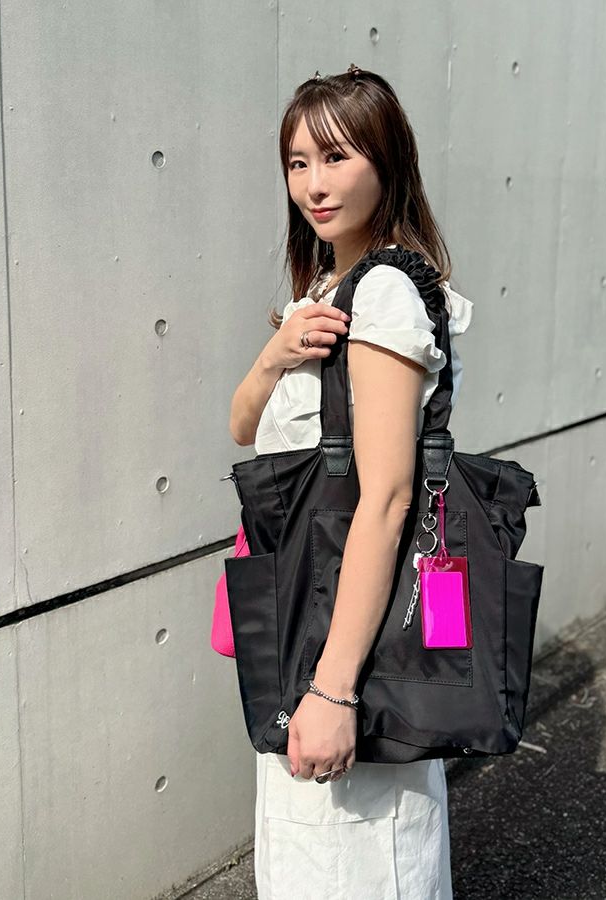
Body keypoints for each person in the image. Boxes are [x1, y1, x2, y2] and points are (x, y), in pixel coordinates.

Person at [228, 64, 473, 900]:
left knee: (357, 865)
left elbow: (390, 498)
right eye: (298, 162)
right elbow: (243, 428)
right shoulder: (326, 294)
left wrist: (333, 693)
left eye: (336, 157)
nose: (314, 184)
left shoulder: (388, 296)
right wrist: (275, 354)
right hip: (315, 609)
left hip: (346, 641)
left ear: (386, 160)